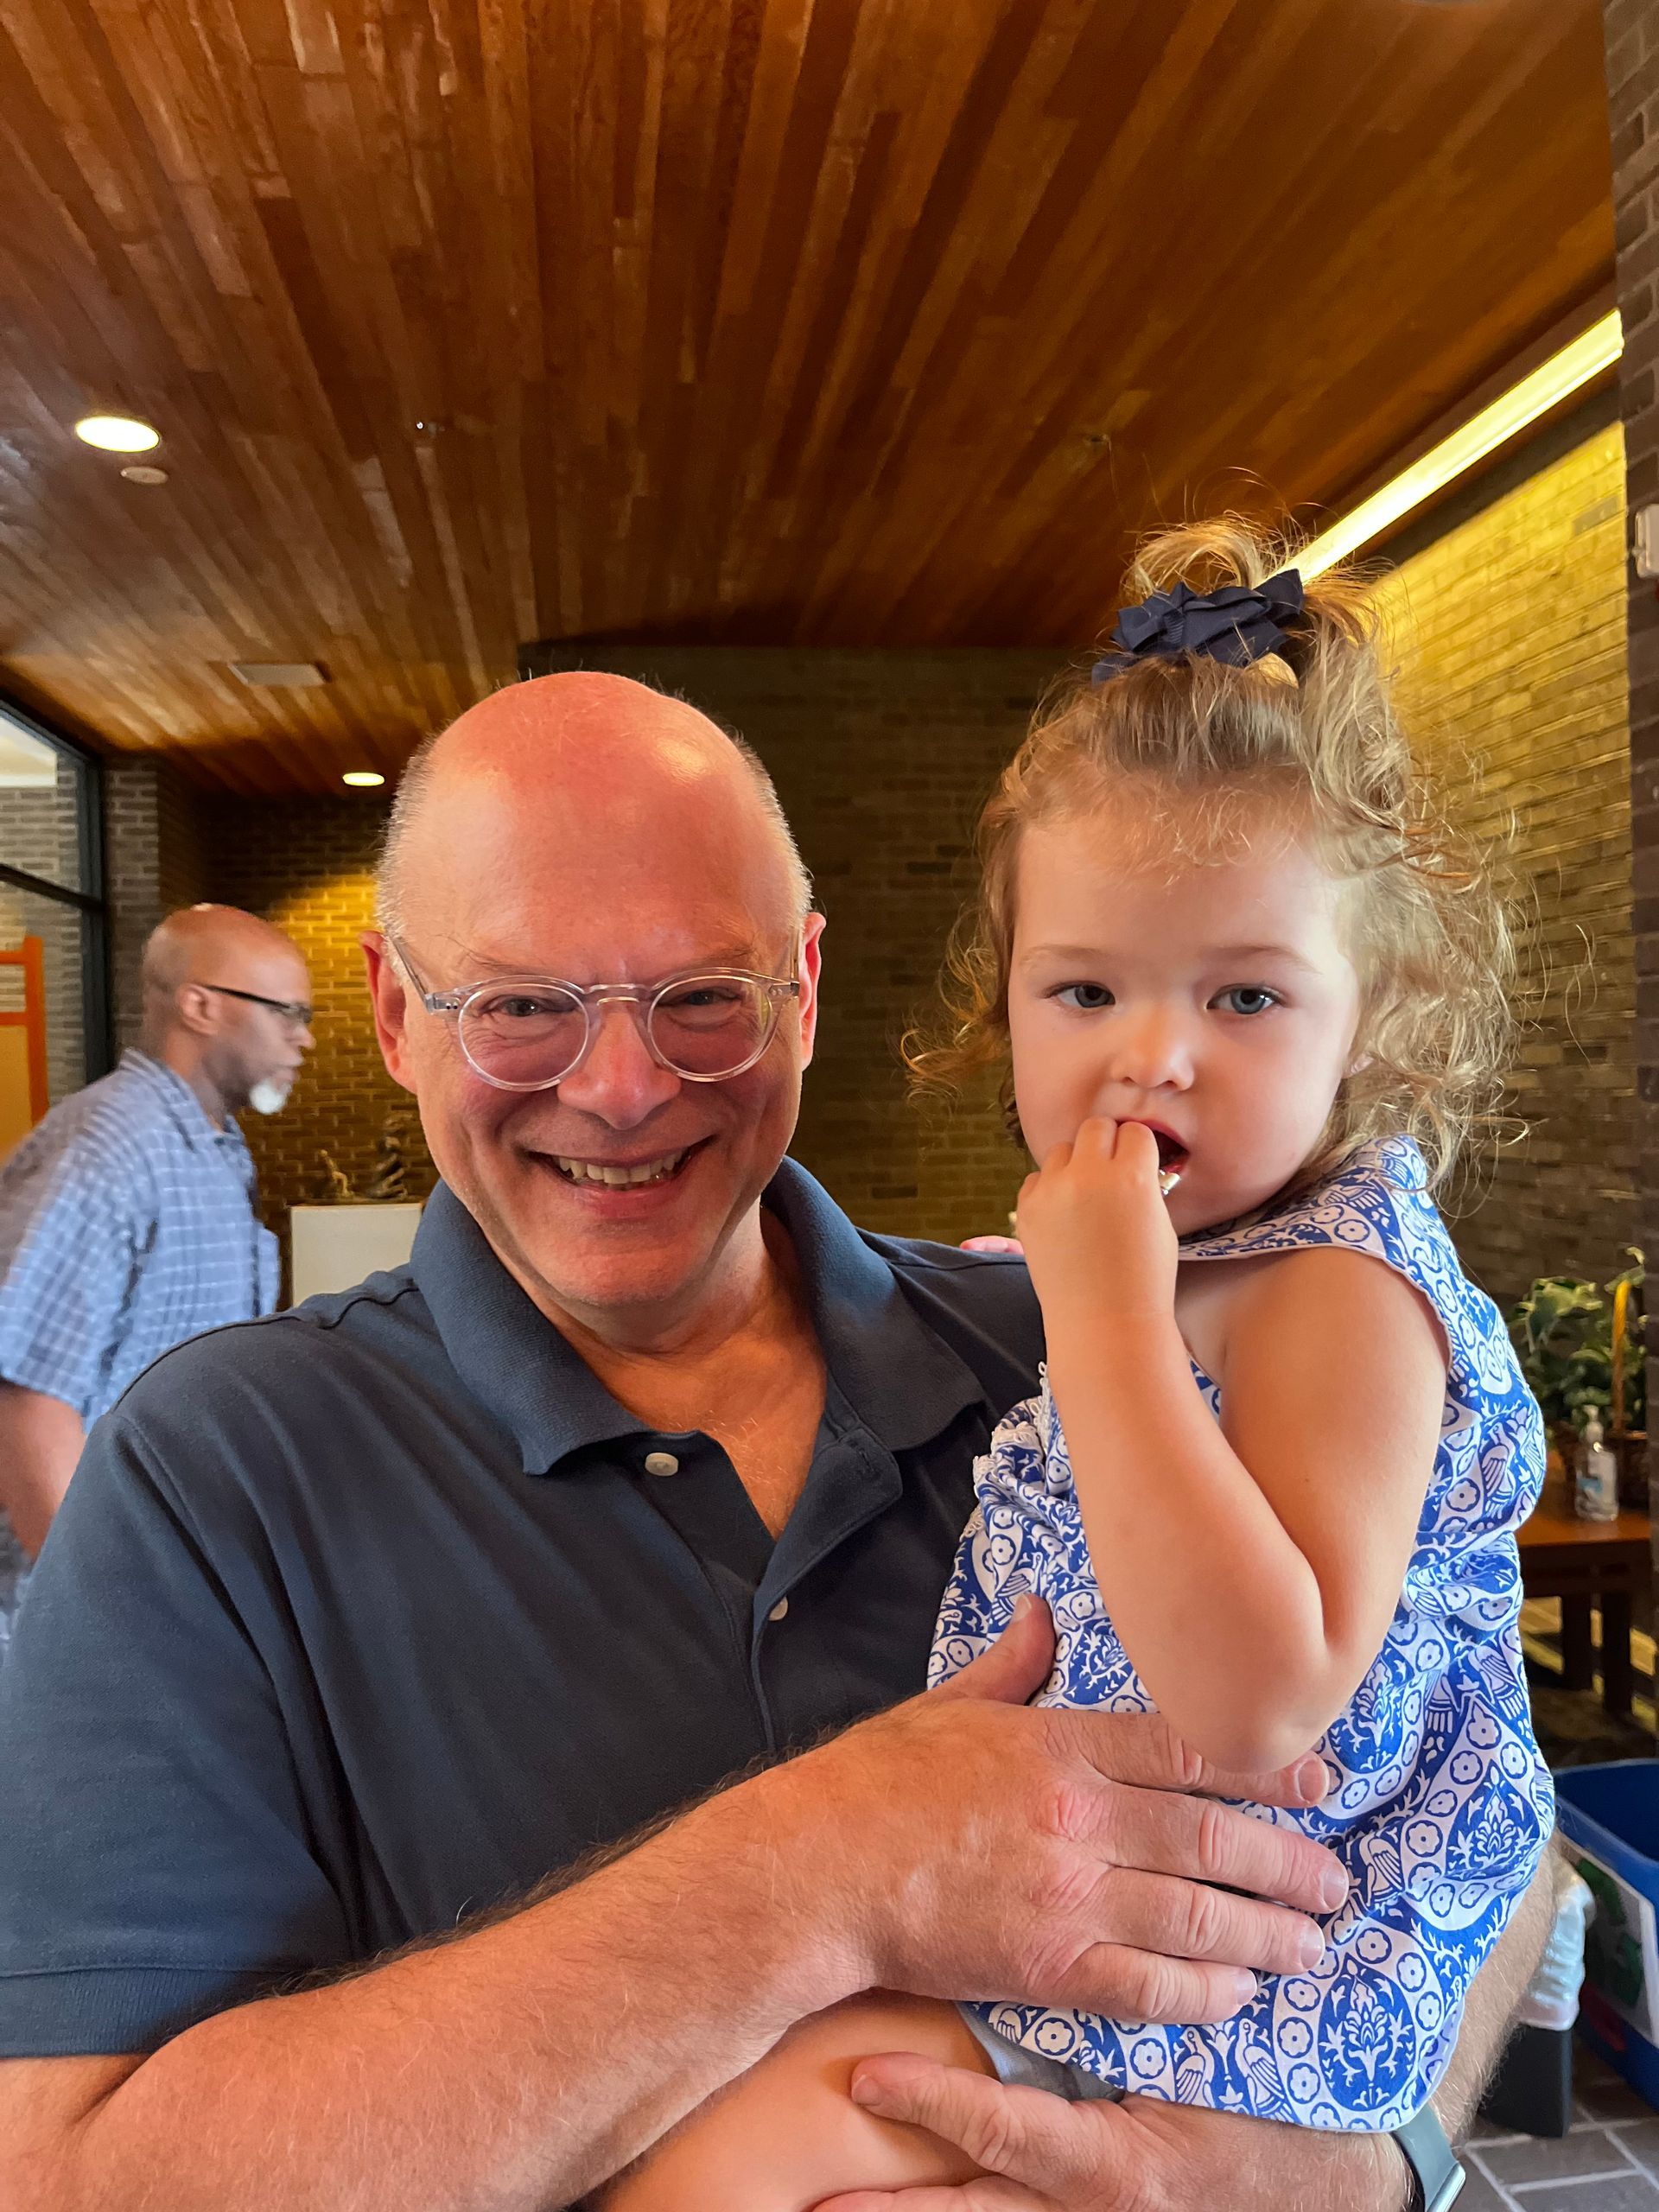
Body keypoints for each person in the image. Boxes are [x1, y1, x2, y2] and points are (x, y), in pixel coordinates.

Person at [0, 675, 1548, 2212]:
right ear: (399, 1016)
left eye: (700, 999)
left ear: (803, 993)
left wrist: (1350, 2173)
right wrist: (818, 1873)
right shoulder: (214, 1475)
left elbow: (1478, 1810)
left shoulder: (1074, 1361)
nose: (618, 1089)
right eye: (521, 1005)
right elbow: (71, 2178)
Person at [598, 525, 1553, 2206]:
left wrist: (1102, 1315)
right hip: (1084, 1923)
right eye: (1087, 986)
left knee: (732, 2154)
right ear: (1007, 1008)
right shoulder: (1195, 1275)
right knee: (704, 2149)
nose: (1153, 1052)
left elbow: (1263, 1694)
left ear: (1373, 1018)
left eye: (1247, 994)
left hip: (1246, 1969)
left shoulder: (1338, 1291)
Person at [0, 903, 312, 1656]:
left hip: (168, 1580)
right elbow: (28, 1402)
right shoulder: (106, 1148)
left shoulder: (214, 1146)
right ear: (201, 1006)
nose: (303, 1038)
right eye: (287, 1013)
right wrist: (107, 1623)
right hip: (72, 1630)